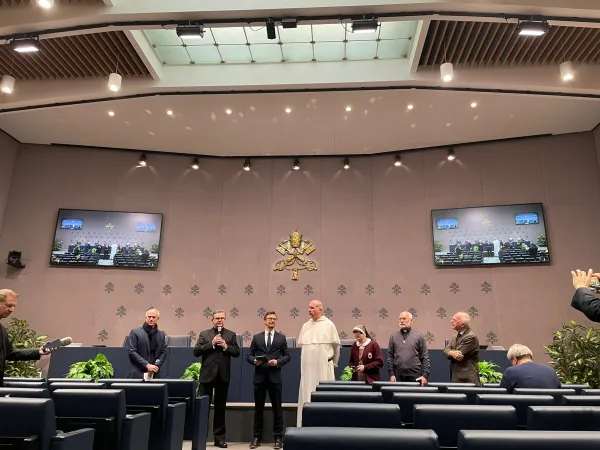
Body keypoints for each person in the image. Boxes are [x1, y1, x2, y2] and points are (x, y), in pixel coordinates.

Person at [194, 309, 240, 448]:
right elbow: (196, 351)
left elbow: (237, 352)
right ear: (212, 320)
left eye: (222, 318)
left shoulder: (231, 335)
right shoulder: (204, 334)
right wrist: (212, 344)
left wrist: (226, 346)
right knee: (204, 409)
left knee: (220, 409)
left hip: (223, 376)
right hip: (207, 376)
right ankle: (201, 438)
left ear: (225, 320)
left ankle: (219, 439)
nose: (219, 320)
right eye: (217, 318)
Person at [247, 311, 290, 449]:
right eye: (270, 319)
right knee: (258, 409)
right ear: (264, 321)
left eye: (274, 319)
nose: (272, 321)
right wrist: (254, 361)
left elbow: (287, 356)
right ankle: (256, 437)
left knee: (277, 409)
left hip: (275, 378)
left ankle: (278, 438)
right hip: (259, 378)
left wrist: (277, 362)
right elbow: (249, 355)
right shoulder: (257, 337)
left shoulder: (281, 338)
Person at [297, 300, 340, 426]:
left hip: (324, 368)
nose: (309, 310)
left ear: (320, 309)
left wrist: (334, 364)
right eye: (309, 307)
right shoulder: (305, 326)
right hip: (307, 370)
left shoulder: (329, 325)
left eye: (312, 308)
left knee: (324, 395)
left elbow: (336, 347)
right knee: (307, 393)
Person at [0, 289, 52, 386]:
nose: (12, 310)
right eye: (9, 305)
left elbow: (11, 353)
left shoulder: (2, 329)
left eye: (14, 306)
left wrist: (39, 351)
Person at [387, 311, 430, 386]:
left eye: (404, 318)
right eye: (400, 319)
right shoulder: (393, 336)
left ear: (410, 320)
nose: (402, 321)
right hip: (398, 376)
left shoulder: (419, 336)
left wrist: (425, 375)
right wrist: (392, 374)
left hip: (415, 375)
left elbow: (425, 357)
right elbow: (390, 356)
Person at [126, 308, 168, 379]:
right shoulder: (135, 332)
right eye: (149, 317)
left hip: (155, 374)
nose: (151, 319)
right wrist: (147, 365)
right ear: (145, 318)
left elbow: (163, 352)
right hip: (138, 374)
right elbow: (132, 352)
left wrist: (155, 366)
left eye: (154, 317)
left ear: (157, 318)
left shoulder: (161, 335)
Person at [443, 311, 481, 386]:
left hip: (467, 380)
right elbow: (445, 350)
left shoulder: (471, 337)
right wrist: (451, 352)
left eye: (454, 320)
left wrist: (449, 351)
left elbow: (457, 355)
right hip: (457, 379)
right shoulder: (455, 336)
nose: (451, 321)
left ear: (462, 324)